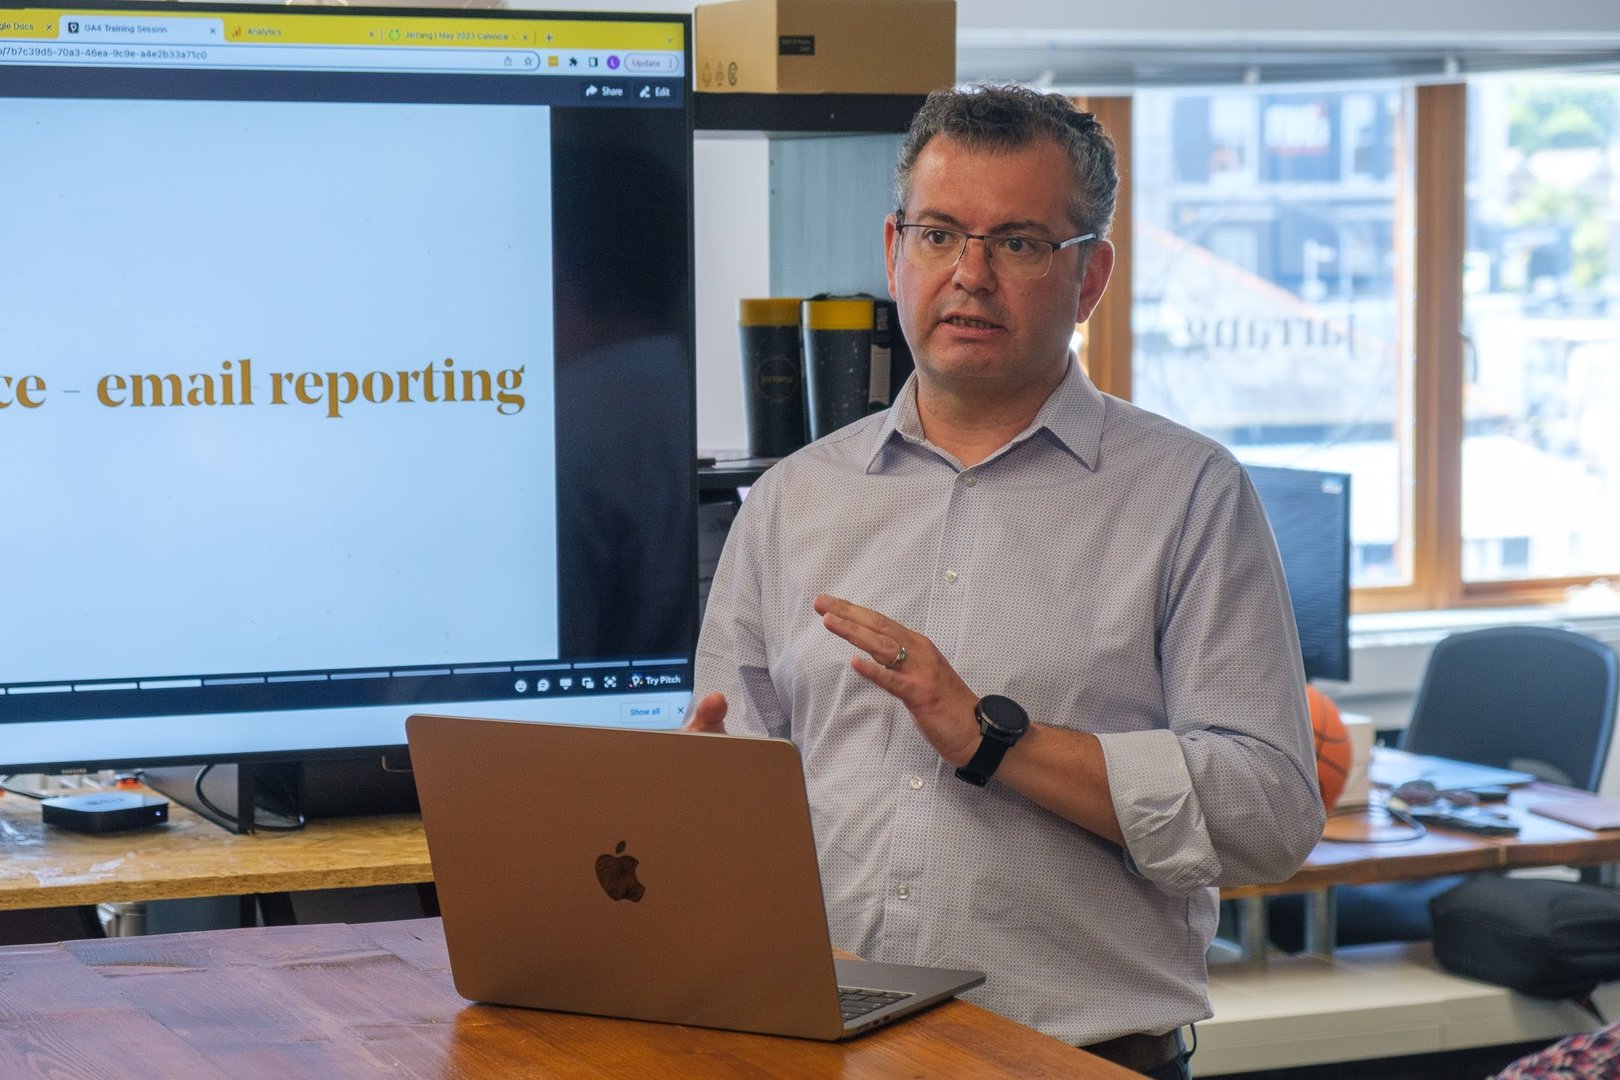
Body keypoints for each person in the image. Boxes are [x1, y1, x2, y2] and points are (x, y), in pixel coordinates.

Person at [688, 83, 1323, 1079]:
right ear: (894, 250)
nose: (970, 275)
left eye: (1018, 242)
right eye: (940, 235)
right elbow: (738, 780)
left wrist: (996, 740)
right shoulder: (791, 500)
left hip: (1076, 1059)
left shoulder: (1189, 494)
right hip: (819, 1049)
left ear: (1091, 276)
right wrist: (692, 801)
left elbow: (1270, 814)